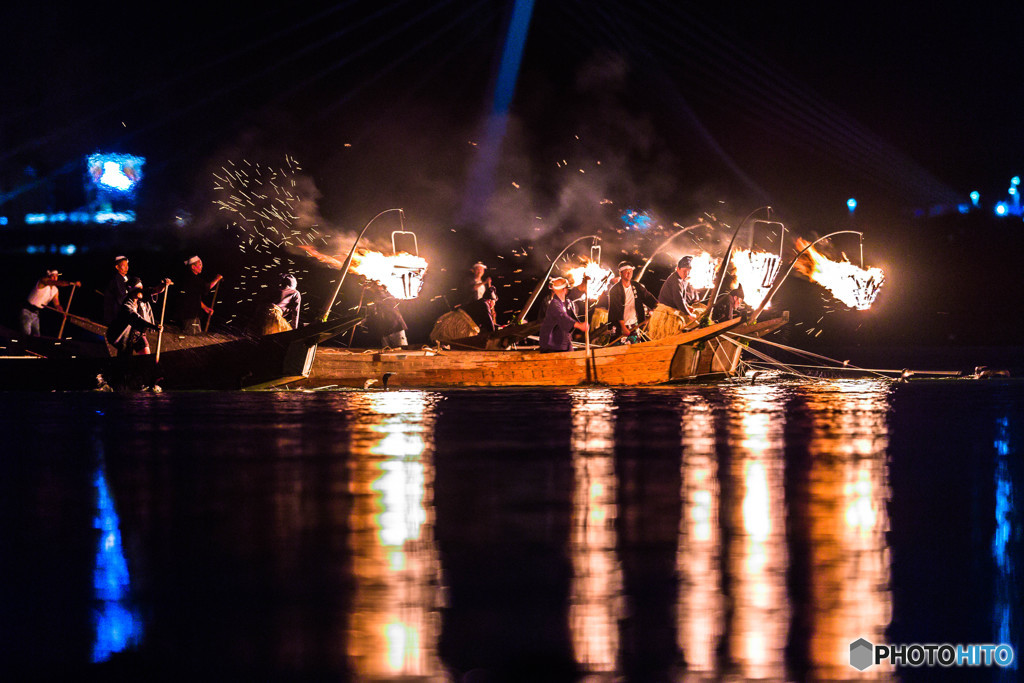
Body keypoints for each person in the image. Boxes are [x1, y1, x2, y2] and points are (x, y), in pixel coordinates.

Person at [106, 278, 162, 356]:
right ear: (131, 290)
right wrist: (153, 326)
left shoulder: (141, 297)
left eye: (142, 288)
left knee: (146, 356)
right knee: (124, 362)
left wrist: (163, 285)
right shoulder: (127, 305)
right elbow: (137, 319)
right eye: (139, 289)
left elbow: (155, 290)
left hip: (139, 335)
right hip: (126, 336)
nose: (142, 290)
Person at [606, 260, 658, 340]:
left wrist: (656, 307)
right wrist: (623, 327)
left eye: (630, 271)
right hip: (619, 326)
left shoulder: (636, 286)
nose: (629, 273)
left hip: (634, 324)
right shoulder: (615, 290)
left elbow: (648, 297)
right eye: (626, 271)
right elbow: (617, 310)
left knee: (635, 348)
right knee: (618, 349)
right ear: (620, 273)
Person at [20, 269, 81, 337]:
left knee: (36, 335)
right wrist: (71, 283)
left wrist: (62, 312)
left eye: (56, 276)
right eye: (53, 276)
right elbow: (59, 283)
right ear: (49, 276)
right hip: (26, 310)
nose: (55, 278)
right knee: (26, 333)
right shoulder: (43, 281)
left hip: (36, 313)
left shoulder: (55, 290)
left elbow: (57, 304)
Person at [539, 277, 589, 352]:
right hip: (553, 346)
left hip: (564, 343)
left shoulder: (567, 302)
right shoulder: (554, 304)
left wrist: (584, 284)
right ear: (564, 290)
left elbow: (572, 315)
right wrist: (579, 325)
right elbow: (562, 316)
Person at [179, 255, 223, 334]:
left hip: (192, 315)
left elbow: (194, 298)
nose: (202, 267)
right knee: (191, 338)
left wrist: (205, 308)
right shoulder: (191, 279)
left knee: (194, 336)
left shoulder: (192, 279)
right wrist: (217, 279)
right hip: (190, 315)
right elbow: (207, 287)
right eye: (199, 265)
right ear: (193, 267)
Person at [366, 281, 408, 347]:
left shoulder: (388, 295)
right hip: (385, 330)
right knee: (386, 352)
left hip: (396, 328)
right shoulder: (377, 297)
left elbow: (382, 299)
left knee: (400, 352)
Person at [103, 255, 131, 324]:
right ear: (117, 267)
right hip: (115, 312)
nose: (126, 267)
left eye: (127, 265)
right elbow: (120, 296)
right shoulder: (116, 279)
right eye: (123, 265)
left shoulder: (128, 278)